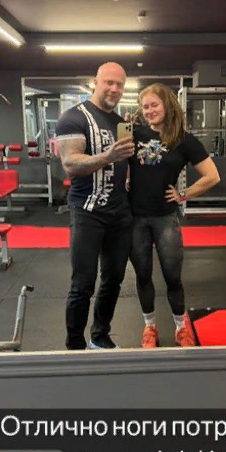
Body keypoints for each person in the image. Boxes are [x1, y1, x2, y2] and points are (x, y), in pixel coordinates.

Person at [128, 83, 220, 348]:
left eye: (154, 105)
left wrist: (183, 194)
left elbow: (212, 176)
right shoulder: (133, 134)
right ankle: (150, 327)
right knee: (143, 275)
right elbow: (117, 160)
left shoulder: (183, 140)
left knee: (172, 276)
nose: (149, 111)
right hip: (135, 218)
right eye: (145, 107)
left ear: (167, 105)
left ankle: (181, 328)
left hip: (165, 217)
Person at [55, 62, 135, 350]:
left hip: (119, 214)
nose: (114, 88)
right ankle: (75, 344)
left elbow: (126, 160)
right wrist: (108, 156)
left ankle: (100, 336)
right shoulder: (73, 118)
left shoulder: (121, 122)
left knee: (114, 280)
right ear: (95, 82)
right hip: (87, 212)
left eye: (120, 84)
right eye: (108, 82)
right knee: (83, 284)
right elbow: (70, 163)